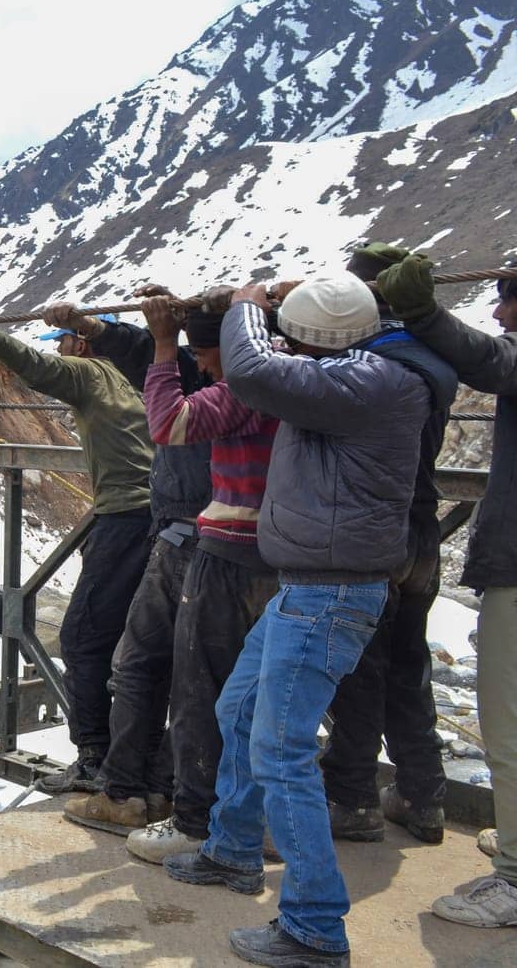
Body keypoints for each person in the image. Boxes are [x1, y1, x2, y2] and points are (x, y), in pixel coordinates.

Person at [163, 271, 427, 967]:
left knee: (280, 749)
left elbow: (251, 369)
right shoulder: (355, 377)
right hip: (307, 587)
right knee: (241, 709)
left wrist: (248, 306)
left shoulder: (369, 384)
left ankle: (313, 926)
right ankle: (233, 849)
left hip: (329, 595)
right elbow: (272, 369)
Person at [0, 308, 154, 793]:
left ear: (83, 342)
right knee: (145, 644)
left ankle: (97, 758)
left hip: (123, 516)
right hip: (166, 517)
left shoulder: (93, 374)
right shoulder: (147, 374)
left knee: (82, 638)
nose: (60, 347)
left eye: (65, 340)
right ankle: (147, 760)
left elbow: (38, 368)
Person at [376, 253, 517, 927]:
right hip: (444, 539)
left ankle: (515, 878)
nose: (499, 309)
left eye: (509, 294)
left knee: (507, 721)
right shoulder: (437, 365)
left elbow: (491, 358)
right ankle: (445, 807)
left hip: (493, 557)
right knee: (415, 676)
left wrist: (423, 311)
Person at [120, 293, 281, 866]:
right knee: (266, 700)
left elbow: (167, 422)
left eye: (207, 353)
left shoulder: (246, 387)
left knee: (202, 692)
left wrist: (164, 344)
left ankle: (195, 823)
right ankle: (257, 820)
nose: (203, 366)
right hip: (282, 552)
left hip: (230, 550)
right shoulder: (304, 374)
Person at [47, 297, 213, 830]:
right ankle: (160, 791)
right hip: (215, 536)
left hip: (184, 535)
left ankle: (122, 789)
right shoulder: (267, 382)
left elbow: (165, 411)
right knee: (189, 670)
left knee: (138, 663)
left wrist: (164, 342)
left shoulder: (212, 392)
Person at [318, 243, 459, 847]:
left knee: (358, 667)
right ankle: (422, 797)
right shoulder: (433, 361)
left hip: (377, 530)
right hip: (423, 528)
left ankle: (350, 798)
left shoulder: (369, 365)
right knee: (408, 665)